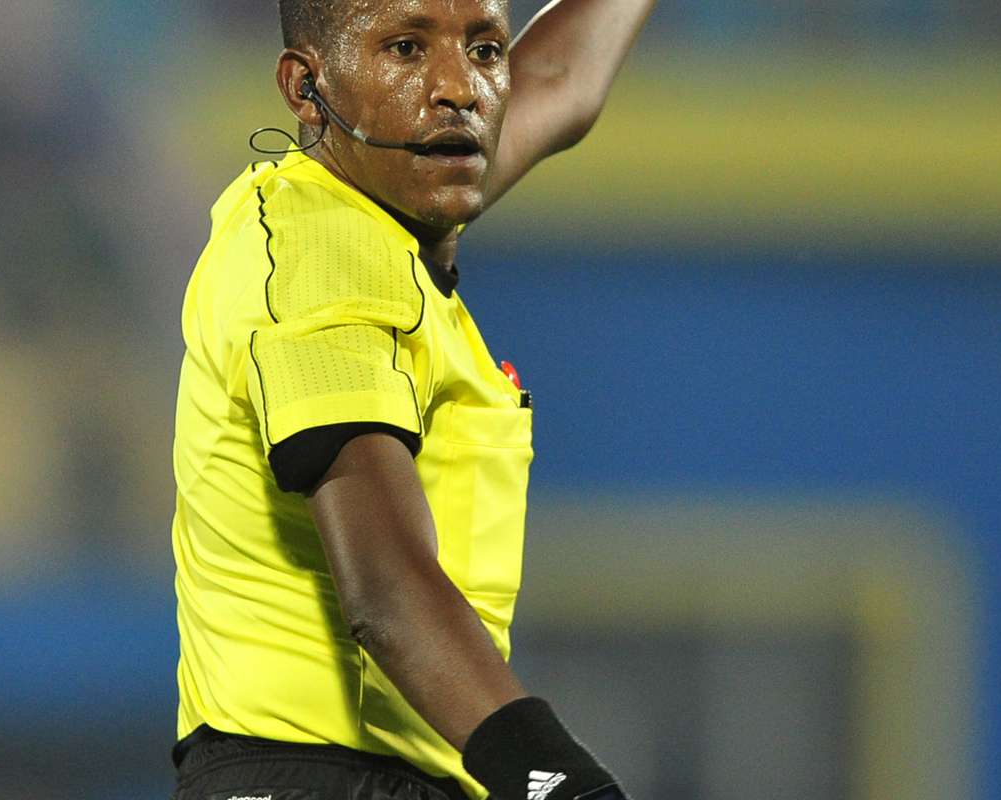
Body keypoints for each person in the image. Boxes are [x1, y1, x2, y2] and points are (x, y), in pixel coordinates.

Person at [168, 1, 654, 799]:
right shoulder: (320, 252)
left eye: (485, 49)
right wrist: (557, 781)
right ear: (305, 88)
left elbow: (559, 78)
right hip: (318, 779)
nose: (458, 87)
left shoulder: (379, 217)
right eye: (404, 47)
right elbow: (387, 590)